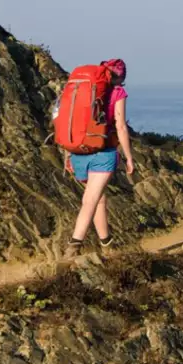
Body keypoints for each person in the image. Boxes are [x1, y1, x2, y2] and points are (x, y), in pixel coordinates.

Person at [65, 64, 133, 251]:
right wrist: (128, 157)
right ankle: (74, 244)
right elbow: (120, 126)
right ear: (120, 77)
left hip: (78, 150)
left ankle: (107, 244)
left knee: (98, 198)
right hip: (103, 152)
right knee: (91, 200)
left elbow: (70, 120)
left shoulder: (82, 90)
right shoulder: (118, 92)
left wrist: (68, 153)